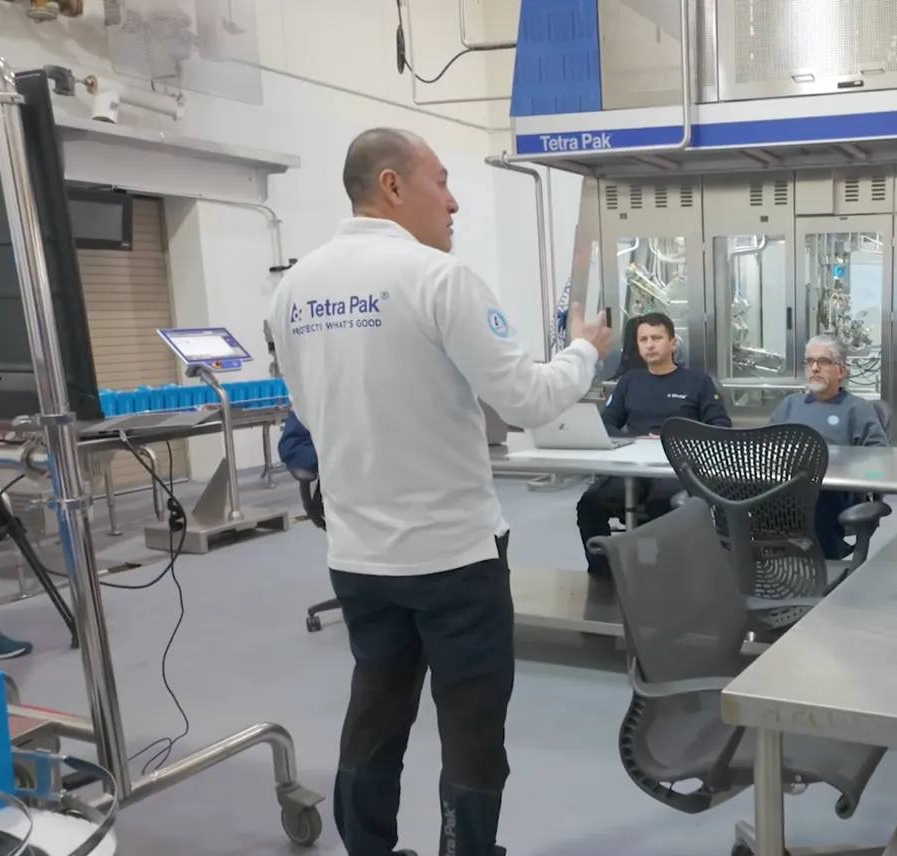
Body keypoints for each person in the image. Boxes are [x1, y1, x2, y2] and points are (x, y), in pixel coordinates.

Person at [267, 127, 611, 856]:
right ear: (392, 186)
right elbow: (526, 399)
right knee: (471, 722)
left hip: (360, 558)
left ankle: (367, 848)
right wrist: (585, 348)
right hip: (454, 558)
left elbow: (304, 410)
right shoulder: (437, 279)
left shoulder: (292, 291)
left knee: (376, 711)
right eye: (441, 183)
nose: (453, 202)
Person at [578, 311, 729, 578]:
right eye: (643, 339)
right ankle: (603, 575)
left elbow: (720, 427)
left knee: (664, 505)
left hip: (678, 468)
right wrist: (633, 441)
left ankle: (665, 578)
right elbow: (607, 423)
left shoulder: (698, 383)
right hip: (634, 466)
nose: (649, 344)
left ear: (672, 343)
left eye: (657, 338)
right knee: (590, 503)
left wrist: (676, 440)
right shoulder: (629, 382)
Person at [768, 335, 886, 559]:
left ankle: (823, 567)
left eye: (823, 362)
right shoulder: (790, 405)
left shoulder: (857, 409)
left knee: (818, 496)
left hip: (832, 490)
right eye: (809, 362)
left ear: (841, 371)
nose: (814, 368)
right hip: (785, 485)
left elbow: (879, 454)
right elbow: (765, 445)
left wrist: (844, 462)